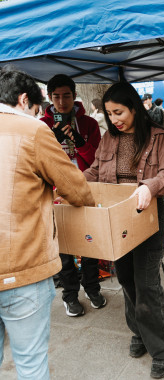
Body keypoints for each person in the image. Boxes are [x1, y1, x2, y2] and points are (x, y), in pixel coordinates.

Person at [0, 67, 95, 379]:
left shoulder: (86, 123)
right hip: (20, 268)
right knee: (30, 363)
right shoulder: (32, 129)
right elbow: (77, 189)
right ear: (25, 99)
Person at [83, 81, 164, 379]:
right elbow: (96, 172)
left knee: (147, 282)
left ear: (135, 108)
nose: (114, 119)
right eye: (109, 114)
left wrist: (149, 187)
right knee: (124, 276)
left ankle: (163, 348)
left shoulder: (157, 136)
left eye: (119, 112)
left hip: (147, 216)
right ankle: (139, 332)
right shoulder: (108, 139)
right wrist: (73, 182)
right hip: (117, 219)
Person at [41, 74, 105, 317]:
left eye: (66, 95)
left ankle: (92, 287)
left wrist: (79, 142)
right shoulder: (41, 125)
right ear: (49, 97)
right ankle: (70, 294)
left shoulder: (88, 123)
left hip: (86, 188)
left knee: (91, 240)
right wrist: (54, 143)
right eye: (56, 96)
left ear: (74, 95)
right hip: (56, 193)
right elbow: (40, 162)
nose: (61, 101)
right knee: (64, 245)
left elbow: (98, 160)